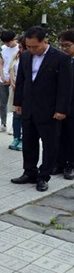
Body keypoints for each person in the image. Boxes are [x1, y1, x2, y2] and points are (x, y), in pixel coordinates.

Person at [11, 26, 72, 192]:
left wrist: (61, 109)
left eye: (35, 46)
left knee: (50, 145)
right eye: (28, 46)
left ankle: (44, 176)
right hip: (29, 108)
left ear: (45, 41)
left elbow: (65, 87)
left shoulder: (60, 58)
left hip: (50, 110)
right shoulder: (25, 57)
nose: (31, 50)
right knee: (29, 142)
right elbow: (21, 81)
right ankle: (29, 172)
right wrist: (18, 103)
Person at [53, 30, 74, 179]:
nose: (64, 49)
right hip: (60, 104)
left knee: (72, 135)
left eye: (67, 45)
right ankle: (59, 163)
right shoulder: (59, 60)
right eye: (62, 46)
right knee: (59, 135)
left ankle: (70, 164)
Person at [0, 30, 19, 133]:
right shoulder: (3, 48)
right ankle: (3, 123)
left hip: (14, 79)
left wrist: (11, 79)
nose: (7, 44)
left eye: (8, 42)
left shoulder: (19, 48)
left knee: (14, 104)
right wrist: (2, 76)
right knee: (2, 103)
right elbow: (1, 63)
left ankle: (14, 126)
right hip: (4, 78)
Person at [7, 36, 25, 151]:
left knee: (25, 115)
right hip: (15, 88)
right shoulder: (16, 55)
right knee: (16, 114)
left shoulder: (30, 56)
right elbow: (11, 69)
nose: (20, 49)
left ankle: (24, 138)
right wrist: (13, 82)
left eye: (21, 47)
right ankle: (16, 137)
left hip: (26, 89)